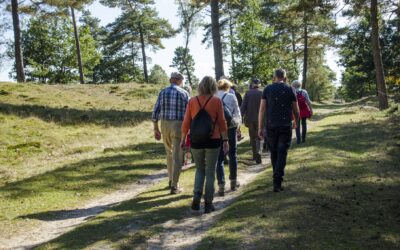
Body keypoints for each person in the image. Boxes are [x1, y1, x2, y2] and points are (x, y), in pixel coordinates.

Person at [181, 76, 229, 213]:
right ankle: (208, 203)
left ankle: (197, 195)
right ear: (213, 86)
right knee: (210, 172)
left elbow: (186, 122)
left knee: (199, 169)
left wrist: (183, 139)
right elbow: (222, 122)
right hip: (213, 140)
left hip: (196, 140)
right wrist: (225, 141)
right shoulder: (216, 101)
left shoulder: (192, 101)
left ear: (200, 86)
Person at [258, 69, 299, 192]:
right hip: (285, 125)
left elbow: (262, 109)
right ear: (285, 77)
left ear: (274, 77)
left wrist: (260, 127)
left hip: (271, 125)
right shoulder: (290, 89)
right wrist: (296, 121)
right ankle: (277, 179)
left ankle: (276, 177)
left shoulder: (267, 89)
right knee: (282, 152)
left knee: (274, 152)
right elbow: (296, 110)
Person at [152, 72, 190, 194]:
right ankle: (175, 185)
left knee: (169, 153)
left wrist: (156, 128)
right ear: (179, 80)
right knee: (178, 155)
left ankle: (170, 180)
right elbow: (189, 113)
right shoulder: (184, 93)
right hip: (178, 125)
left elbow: (155, 111)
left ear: (170, 80)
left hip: (165, 124)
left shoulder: (162, 92)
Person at [215, 79, 242, 196]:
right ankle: (233, 182)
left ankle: (221, 185)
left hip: (218, 130)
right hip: (230, 128)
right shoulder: (232, 96)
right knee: (233, 154)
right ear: (228, 86)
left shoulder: (213, 97)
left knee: (219, 158)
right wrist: (238, 127)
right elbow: (237, 114)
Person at [241, 78, 263, 164]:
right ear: (259, 84)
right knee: (260, 136)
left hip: (250, 119)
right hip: (261, 119)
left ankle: (254, 155)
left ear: (252, 84)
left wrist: (240, 117)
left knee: (252, 137)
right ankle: (259, 152)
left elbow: (243, 107)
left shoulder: (247, 93)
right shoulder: (262, 93)